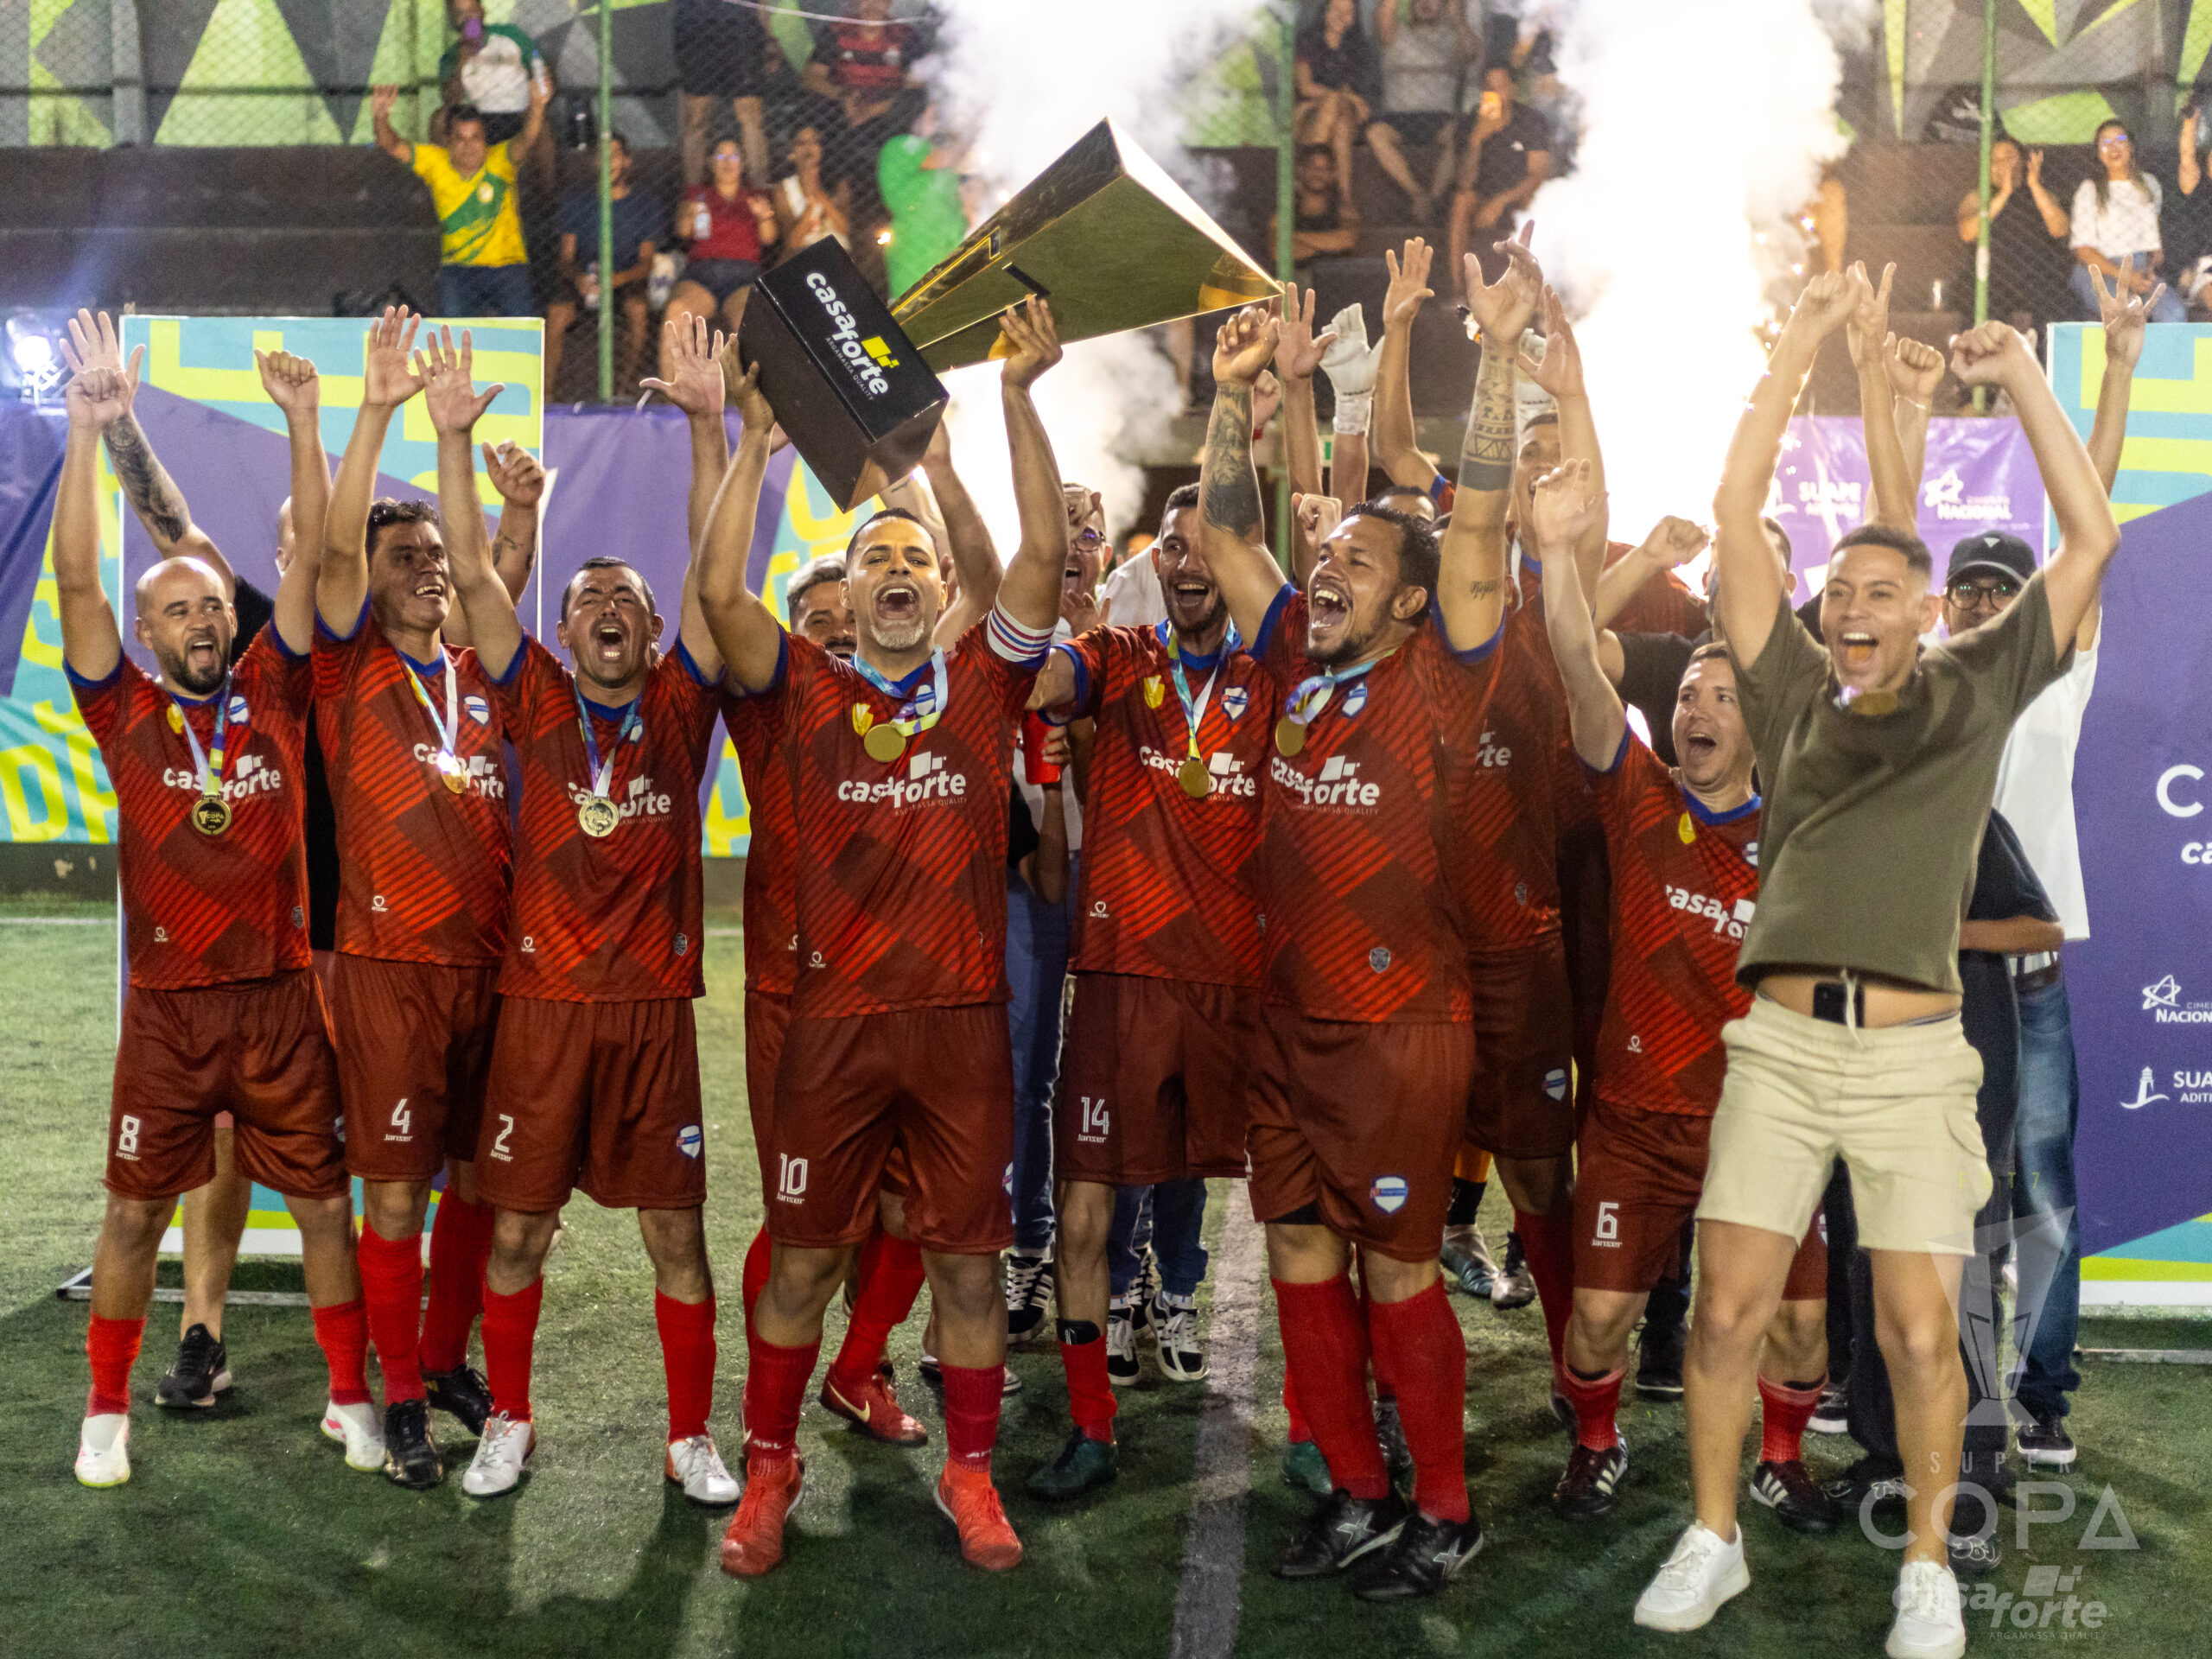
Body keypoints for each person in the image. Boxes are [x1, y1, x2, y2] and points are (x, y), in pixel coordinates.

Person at [1630, 265, 2121, 1659]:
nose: (1852, 604)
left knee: (1916, 1333)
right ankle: (1713, 1537)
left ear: (1925, 612)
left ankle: (1926, 1567)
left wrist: (2017, 378)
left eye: (1880, 590)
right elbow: (1737, 506)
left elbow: (2091, 539)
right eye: (1838, 587)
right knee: (1725, 1310)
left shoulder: (1977, 689)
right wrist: (1794, 345)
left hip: (1912, 1062)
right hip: (1782, 1050)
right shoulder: (1788, 687)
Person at [697, 298, 1070, 1578]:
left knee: (966, 1271)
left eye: (915, 558)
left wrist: (1008, 405)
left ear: (943, 588)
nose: (897, 570)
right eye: (874, 559)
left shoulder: (984, 686)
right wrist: (751, 441)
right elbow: (718, 592)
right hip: (835, 1029)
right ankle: (769, 1472)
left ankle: (970, 1476)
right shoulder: (801, 688)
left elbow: (1040, 556)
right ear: (846, 597)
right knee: (802, 1263)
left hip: (958, 1030)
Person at [1196, 276, 1519, 1599]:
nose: (1327, 568)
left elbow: (1479, 520)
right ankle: (1357, 1489)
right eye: (1327, 555)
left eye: (1360, 564)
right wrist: (1229, 396)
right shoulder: (1292, 658)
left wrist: (1499, 356)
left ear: (1413, 604)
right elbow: (1227, 533)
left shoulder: (1443, 676)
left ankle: (1445, 1509)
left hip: (1400, 1036)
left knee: (1397, 1274)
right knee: (1298, 1255)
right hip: (1287, 1031)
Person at [412, 324, 741, 1510]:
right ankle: (509, 1417)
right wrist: (451, 441)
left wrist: (706, 425)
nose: (607, 607)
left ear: (652, 633)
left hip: (651, 1014)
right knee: (515, 1235)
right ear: (562, 630)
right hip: (542, 1011)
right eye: (589, 595)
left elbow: (713, 569)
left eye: (626, 601)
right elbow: (471, 574)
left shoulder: (681, 706)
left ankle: (690, 1438)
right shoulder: (536, 697)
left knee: (677, 1240)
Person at [54, 314, 374, 1488]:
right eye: (177, 610)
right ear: (144, 632)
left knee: (327, 1205)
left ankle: (350, 1397)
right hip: (172, 1013)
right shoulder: (121, 711)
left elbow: (315, 566)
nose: (201, 620)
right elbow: (78, 578)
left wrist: (305, 421)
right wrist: (88, 430)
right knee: (134, 1214)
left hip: (283, 1000)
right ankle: (105, 1412)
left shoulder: (276, 691)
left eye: (211, 607)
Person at [1527, 454, 1834, 1534]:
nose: (1696, 708)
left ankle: (1781, 1460)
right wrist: (1556, 551)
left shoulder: (1799, 831)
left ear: (1758, 722)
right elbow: (1576, 664)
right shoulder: (1638, 795)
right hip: (1636, 1121)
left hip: (1761, 1125)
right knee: (1597, 1318)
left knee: (1800, 1331)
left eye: (1721, 698)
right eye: (1688, 695)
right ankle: (1595, 1443)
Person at [303, 308, 542, 1488]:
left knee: (481, 1184)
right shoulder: (345, 671)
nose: (429, 570)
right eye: (405, 558)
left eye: (437, 556)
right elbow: (333, 559)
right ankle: (397, 1396)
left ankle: (444, 1359)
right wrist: (375, 409)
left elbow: (500, 574)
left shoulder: (487, 676)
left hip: (494, 970)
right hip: (388, 970)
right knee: (394, 1192)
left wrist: (516, 516)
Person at [1013, 481, 1271, 1493]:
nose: (1190, 562)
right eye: (1173, 545)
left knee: (1304, 1216)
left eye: (1210, 546)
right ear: (1151, 562)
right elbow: (1038, 679)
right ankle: (1091, 1426)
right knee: (1083, 1212)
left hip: (1236, 990)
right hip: (1121, 984)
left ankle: (1324, 1434)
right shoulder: (1117, 659)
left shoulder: (1275, 674)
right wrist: (1046, 585)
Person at [1994, 271, 2145, 1474]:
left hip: (2031, 981)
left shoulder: (2058, 672)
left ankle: (2042, 1395)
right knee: (1897, 1184)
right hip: (1925, 978)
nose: (1986, 607)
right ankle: (1869, 1378)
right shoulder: (1923, 689)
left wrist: (2121, 374)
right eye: (1968, 592)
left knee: (2042, 1187)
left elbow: (2084, 514)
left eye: (2009, 591)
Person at [372, 79, 549, 321]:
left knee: (523, 331)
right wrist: (380, 117)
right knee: (451, 334)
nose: (469, 146)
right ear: (448, 141)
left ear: (485, 140)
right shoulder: (435, 162)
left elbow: (527, 138)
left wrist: (537, 106)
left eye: (476, 137)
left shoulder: (501, 160)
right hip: (459, 270)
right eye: (460, 138)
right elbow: (391, 144)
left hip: (508, 267)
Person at [545, 132, 664, 399]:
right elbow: (565, 258)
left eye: (615, 154)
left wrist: (617, 279)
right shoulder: (575, 201)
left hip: (625, 278)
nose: (609, 161)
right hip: (585, 279)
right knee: (557, 313)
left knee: (637, 310)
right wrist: (578, 278)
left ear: (627, 161)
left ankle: (620, 392)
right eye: (602, 155)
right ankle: (547, 395)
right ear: (593, 161)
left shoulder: (645, 204)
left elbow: (646, 263)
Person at [1366, 0, 1481, 225]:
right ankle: (1417, 194)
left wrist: (1457, 18)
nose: (1426, 3)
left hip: (1439, 117)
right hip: (1399, 117)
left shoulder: (1452, 36)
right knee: (1375, 134)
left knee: (1459, 133)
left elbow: (1472, 52)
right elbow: (1385, 11)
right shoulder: (1395, 34)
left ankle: (1435, 199)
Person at [2067, 118, 2186, 324]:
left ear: (2131, 147)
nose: (2113, 147)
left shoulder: (2149, 184)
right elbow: (2083, 251)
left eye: (2120, 140)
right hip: (2101, 270)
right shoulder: (2089, 190)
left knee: (2174, 314)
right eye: (2106, 142)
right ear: (2099, 153)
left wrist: (2148, 270)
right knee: (2126, 317)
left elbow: (2155, 246)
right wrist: (2126, 277)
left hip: (2140, 267)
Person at [667, 137, 780, 352]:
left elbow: (769, 238)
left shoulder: (754, 196)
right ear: (711, 162)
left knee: (749, 322)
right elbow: (683, 231)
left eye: (734, 156)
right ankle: (672, 376)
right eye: (721, 156)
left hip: (742, 276)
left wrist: (763, 216)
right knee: (675, 313)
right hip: (702, 274)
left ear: (743, 163)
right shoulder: (698, 194)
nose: (727, 162)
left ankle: (749, 376)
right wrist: (689, 213)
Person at [1447, 67, 1552, 296]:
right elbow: (1464, 183)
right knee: (1461, 201)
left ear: (1512, 89)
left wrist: (1501, 202)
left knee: (1533, 198)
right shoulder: (1471, 123)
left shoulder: (1530, 121)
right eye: (1489, 89)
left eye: (1501, 87)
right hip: (1483, 194)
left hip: (1520, 193)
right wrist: (1477, 140)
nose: (1496, 95)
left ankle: (1531, 289)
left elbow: (1537, 174)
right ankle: (1459, 291)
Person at [1957, 137, 2070, 342]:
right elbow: (1967, 232)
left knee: (2062, 305)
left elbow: (2060, 229)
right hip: (1992, 279)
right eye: (1995, 160)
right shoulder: (1978, 197)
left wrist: (2034, 185)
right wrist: (2003, 195)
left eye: (2009, 158)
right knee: (1976, 308)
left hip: (2036, 278)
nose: (2002, 165)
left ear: (2024, 163)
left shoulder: (2041, 195)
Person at [675, 0, 772, 189]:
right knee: (696, 117)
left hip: (741, 22)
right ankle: (694, 196)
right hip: (696, 22)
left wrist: (768, 37)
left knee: (750, 114)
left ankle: (760, 193)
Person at [1294, 0, 1377, 219]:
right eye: (1336, 10)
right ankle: (1345, 198)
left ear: (1355, 17)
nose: (1341, 16)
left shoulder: (1359, 48)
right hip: (1307, 113)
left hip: (1345, 116)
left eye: (1348, 12)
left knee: (1341, 122)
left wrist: (1343, 98)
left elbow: (1357, 92)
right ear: (1325, 11)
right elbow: (1305, 87)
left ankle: (1308, 180)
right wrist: (1342, 96)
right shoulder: (1307, 42)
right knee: (1334, 108)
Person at [878, 105, 969, 299]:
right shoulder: (901, 145)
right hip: (916, 250)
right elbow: (949, 157)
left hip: (947, 246)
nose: (939, 123)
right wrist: (975, 127)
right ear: (914, 117)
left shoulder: (935, 157)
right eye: (933, 117)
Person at [438, 0, 548, 148]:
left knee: (542, 122)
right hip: (479, 117)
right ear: (452, 21)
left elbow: (538, 66)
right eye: (460, 14)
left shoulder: (510, 35)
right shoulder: (450, 57)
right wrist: (461, 63)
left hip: (519, 110)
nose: (468, 19)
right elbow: (450, 101)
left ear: (482, 11)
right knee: (438, 119)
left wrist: (542, 88)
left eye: (472, 11)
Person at [1272, 148, 1360, 271]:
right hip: (1295, 276)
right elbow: (1277, 252)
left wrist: (1293, 237)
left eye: (1325, 169)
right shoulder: (1285, 210)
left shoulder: (1344, 210)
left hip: (1333, 277)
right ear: (1300, 170)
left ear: (1333, 174)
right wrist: (1328, 246)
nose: (1318, 173)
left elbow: (1347, 241)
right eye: (1312, 167)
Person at [775, 124, 855, 254]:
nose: (809, 147)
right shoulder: (783, 188)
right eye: (801, 143)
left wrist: (821, 197)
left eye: (814, 141)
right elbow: (792, 242)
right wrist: (809, 212)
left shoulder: (838, 184)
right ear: (791, 154)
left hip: (837, 252)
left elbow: (845, 230)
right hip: (805, 254)